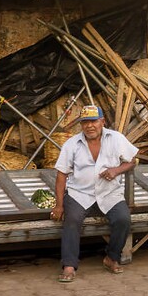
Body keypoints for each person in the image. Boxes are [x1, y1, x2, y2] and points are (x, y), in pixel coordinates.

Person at [51, 105, 138, 283]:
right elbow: (61, 175)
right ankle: (69, 265)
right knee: (72, 220)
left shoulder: (115, 138)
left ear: (102, 122)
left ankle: (111, 258)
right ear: (81, 125)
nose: (90, 126)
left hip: (109, 193)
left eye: (94, 121)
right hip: (79, 194)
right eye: (85, 122)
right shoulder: (72, 144)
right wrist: (59, 205)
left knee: (123, 219)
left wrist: (116, 170)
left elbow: (132, 161)